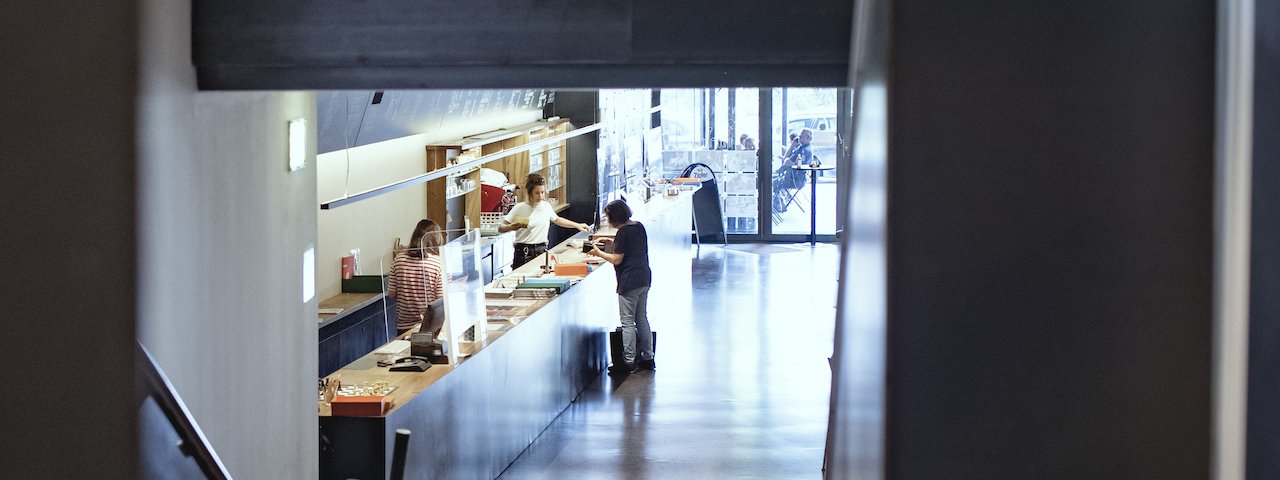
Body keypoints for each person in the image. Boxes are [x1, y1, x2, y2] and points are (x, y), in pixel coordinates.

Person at [588, 200, 655, 373]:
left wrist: (599, 253)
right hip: (644, 277)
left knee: (627, 322)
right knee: (641, 318)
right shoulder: (638, 226)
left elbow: (617, 259)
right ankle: (648, 357)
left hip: (629, 281)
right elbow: (631, 246)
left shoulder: (623, 233)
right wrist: (612, 241)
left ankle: (628, 361)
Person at [498, 173, 591, 268]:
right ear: (530, 192)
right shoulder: (520, 207)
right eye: (537, 193)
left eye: (542, 192)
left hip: (542, 250)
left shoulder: (546, 206)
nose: (540, 196)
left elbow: (558, 220)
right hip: (524, 252)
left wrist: (577, 225)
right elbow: (501, 228)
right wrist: (512, 227)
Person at [387, 219, 446, 335]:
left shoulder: (399, 259)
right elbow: (441, 300)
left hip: (404, 326)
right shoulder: (438, 263)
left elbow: (391, 294)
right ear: (436, 239)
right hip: (430, 325)